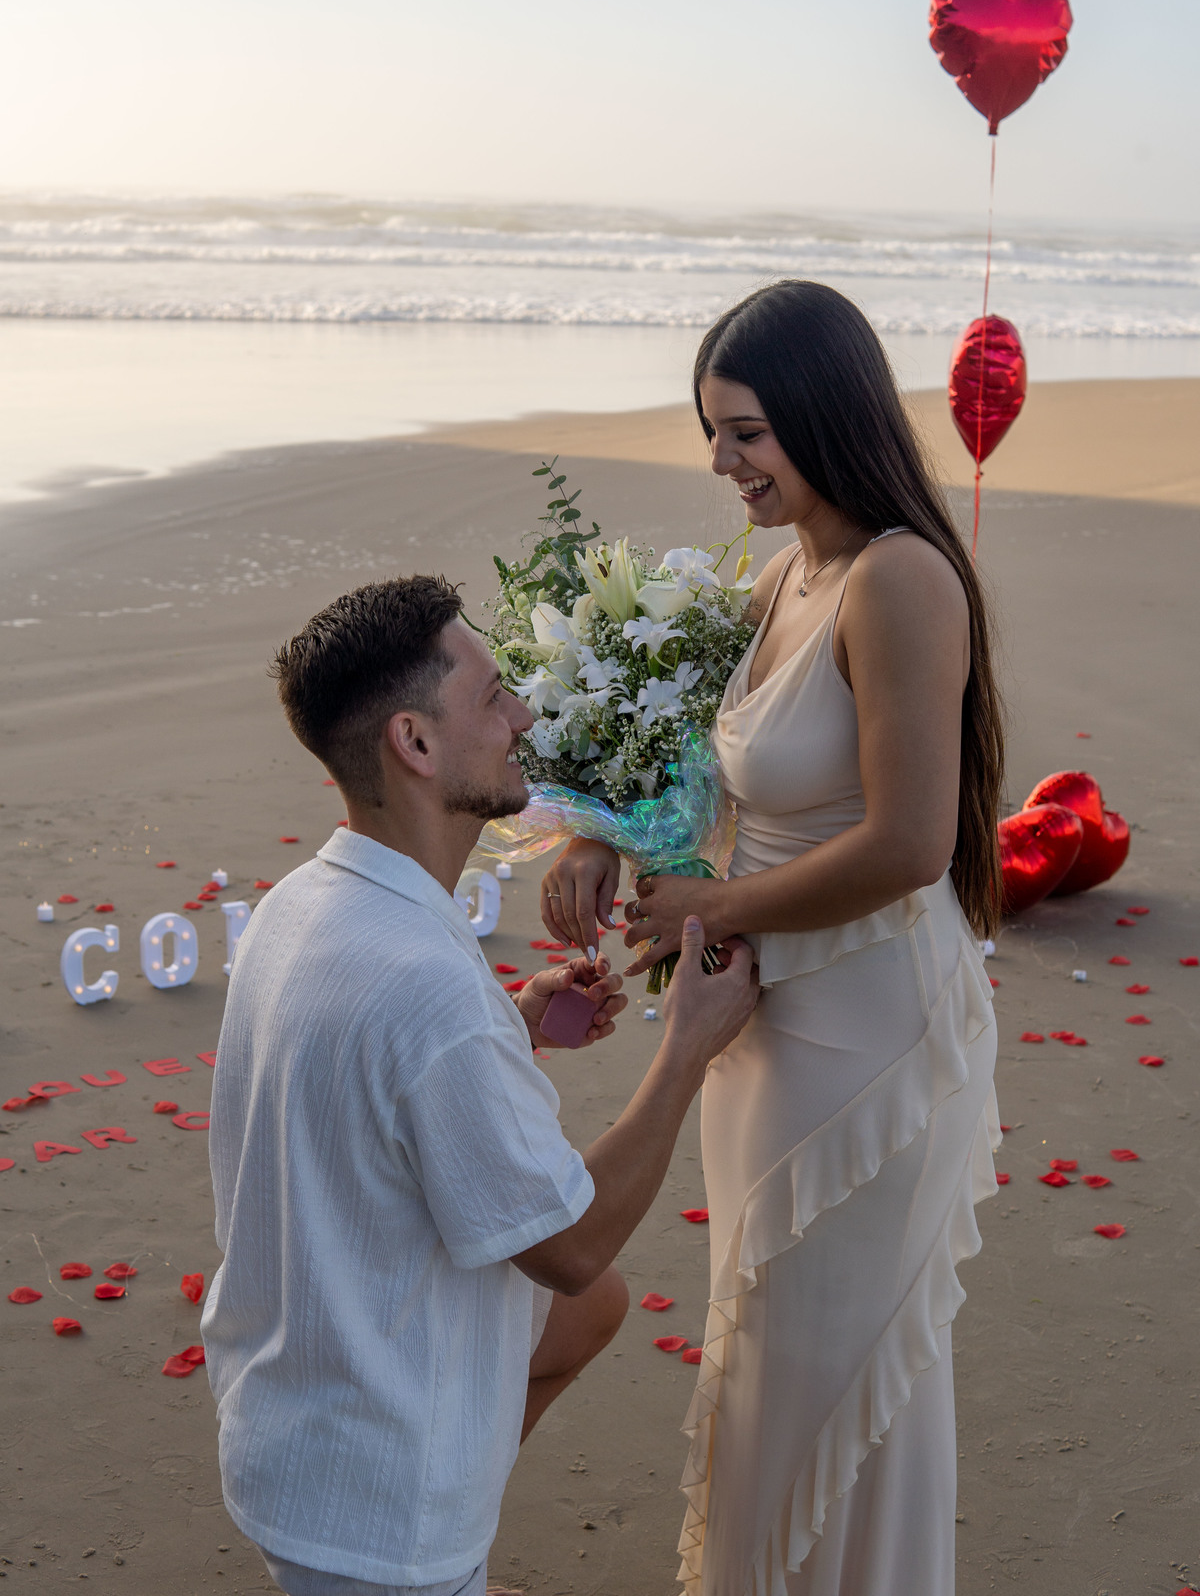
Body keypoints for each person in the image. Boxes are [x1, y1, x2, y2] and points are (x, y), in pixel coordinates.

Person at [540, 280, 1005, 1596]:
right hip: (762, 1020)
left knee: (833, 1363)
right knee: (764, 1337)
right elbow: (699, 764)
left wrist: (716, 909)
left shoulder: (901, 579)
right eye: (711, 431)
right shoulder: (789, 571)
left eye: (744, 431)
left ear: (822, 414)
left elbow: (911, 844)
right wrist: (600, 833)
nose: (720, 461)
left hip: (866, 1026)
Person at [200, 574, 756, 1596]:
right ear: (414, 742)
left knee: (591, 1316)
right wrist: (687, 1047)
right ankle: (434, 1552)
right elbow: (571, 1248)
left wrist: (511, 1022)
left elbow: (363, 1057)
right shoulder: (426, 985)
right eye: (494, 697)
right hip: (372, 1507)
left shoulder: (302, 902)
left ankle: (451, 1511)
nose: (524, 719)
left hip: (285, 1426)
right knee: (585, 1285)